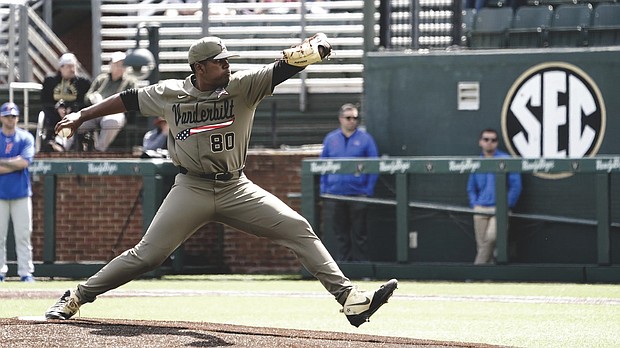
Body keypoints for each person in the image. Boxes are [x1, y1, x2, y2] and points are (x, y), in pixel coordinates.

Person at [44, 34, 397, 327]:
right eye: (221, 61)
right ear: (200, 68)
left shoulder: (243, 85)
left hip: (235, 187)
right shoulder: (170, 92)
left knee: (297, 227)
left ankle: (351, 300)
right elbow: (127, 99)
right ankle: (77, 296)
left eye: (228, 60)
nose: (228, 65)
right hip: (191, 188)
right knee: (147, 256)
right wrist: (80, 115)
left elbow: (282, 68)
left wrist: (316, 48)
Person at [320, 104, 379, 262]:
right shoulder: (331, 139)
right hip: (335, 195)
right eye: (348, 118)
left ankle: (362, 269)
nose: (352, 121)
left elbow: (375, 166)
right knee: (340, 235)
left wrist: (368, 190)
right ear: (341, 119)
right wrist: (324, 189)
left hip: (359, 195)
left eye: (355, 118)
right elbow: (322, 166)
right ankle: (343, 270)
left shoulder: (366, 139)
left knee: (360, 234)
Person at [467, 128, 522, 265]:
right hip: (480, 209)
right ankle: (488, 280)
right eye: (486, 139)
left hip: (499, 209)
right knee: (483, 246)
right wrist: (475, 204)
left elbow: (516, 186)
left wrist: (505, 205)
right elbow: (471, 187)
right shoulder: (476, 162)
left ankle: (475, 272)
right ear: (480, 142)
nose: (489, 143)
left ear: (497, 143)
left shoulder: (506, 159)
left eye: (493, 140)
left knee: (491, 239)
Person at [64, 51, 137, 152]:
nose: (120, 67)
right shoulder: (101, 79)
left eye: (122, 64)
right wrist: (93, 98)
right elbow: (87, 96)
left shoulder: (130, 82)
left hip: (115, 112)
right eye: (117, 64)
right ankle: (63, 148)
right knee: (74, 120)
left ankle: (99, 151)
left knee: (111, 122)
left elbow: (132, 99)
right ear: (111, 65)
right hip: (97, 111)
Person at [0, 102, 35, 282]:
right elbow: (18, 163)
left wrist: (3, 162)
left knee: (23, 235)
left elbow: (25, 162)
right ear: (1, 117)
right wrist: (14, 163)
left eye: (13, 116)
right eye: (7, 116)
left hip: (21, 193)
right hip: (0, 194)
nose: (10, 119)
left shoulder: (25, 137)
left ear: (18, 118)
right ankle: (0, 272)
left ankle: (25, 272)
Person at [39, 53, 91, 152]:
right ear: (61, 68)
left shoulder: (83, 82)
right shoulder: (50, 81)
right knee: (50, 117)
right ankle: (53, 142)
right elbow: (45, 100)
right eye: (69, 67)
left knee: (74, 119)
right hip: (53, 112)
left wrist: (71, 108)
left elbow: (84, 101)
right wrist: (57, 108)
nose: (72, 69)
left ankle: (61, 145)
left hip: (76, 112)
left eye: (74, 66)